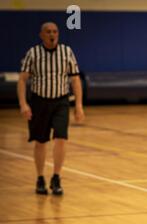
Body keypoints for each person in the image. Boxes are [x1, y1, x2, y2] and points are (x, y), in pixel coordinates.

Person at [17, 22, 85, 195]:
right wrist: (23, 104)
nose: (52, 34)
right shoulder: (33, 53)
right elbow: (22, 80)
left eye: (55, 31)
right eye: (48, 32)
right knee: (41, 141)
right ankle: (40, 178)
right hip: (39, 102)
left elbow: (75, 79)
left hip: (61, 101)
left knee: (61, 138)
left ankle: (56, 177)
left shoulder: (66, 52)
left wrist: (78, 105)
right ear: (41, 35)